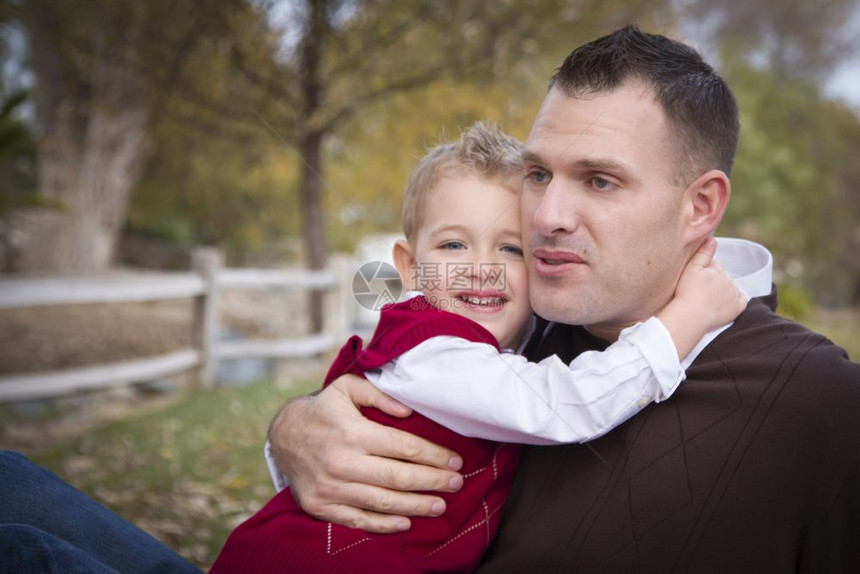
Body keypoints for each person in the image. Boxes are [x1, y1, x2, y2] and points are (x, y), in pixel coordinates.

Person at [267, 25, 860, 572]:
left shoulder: (818, 401)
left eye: (599, 180)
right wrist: (292, 433)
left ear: (699, 206)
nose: (546, 218)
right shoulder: (516, 325)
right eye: (538, 174)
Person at [209, 122, 745, 573]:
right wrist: (686, 318)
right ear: (410, 266)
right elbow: (564, 405)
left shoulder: (495, 346)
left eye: (510, 247)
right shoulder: (431, 350)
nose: (482, 268)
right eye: (453, 244)